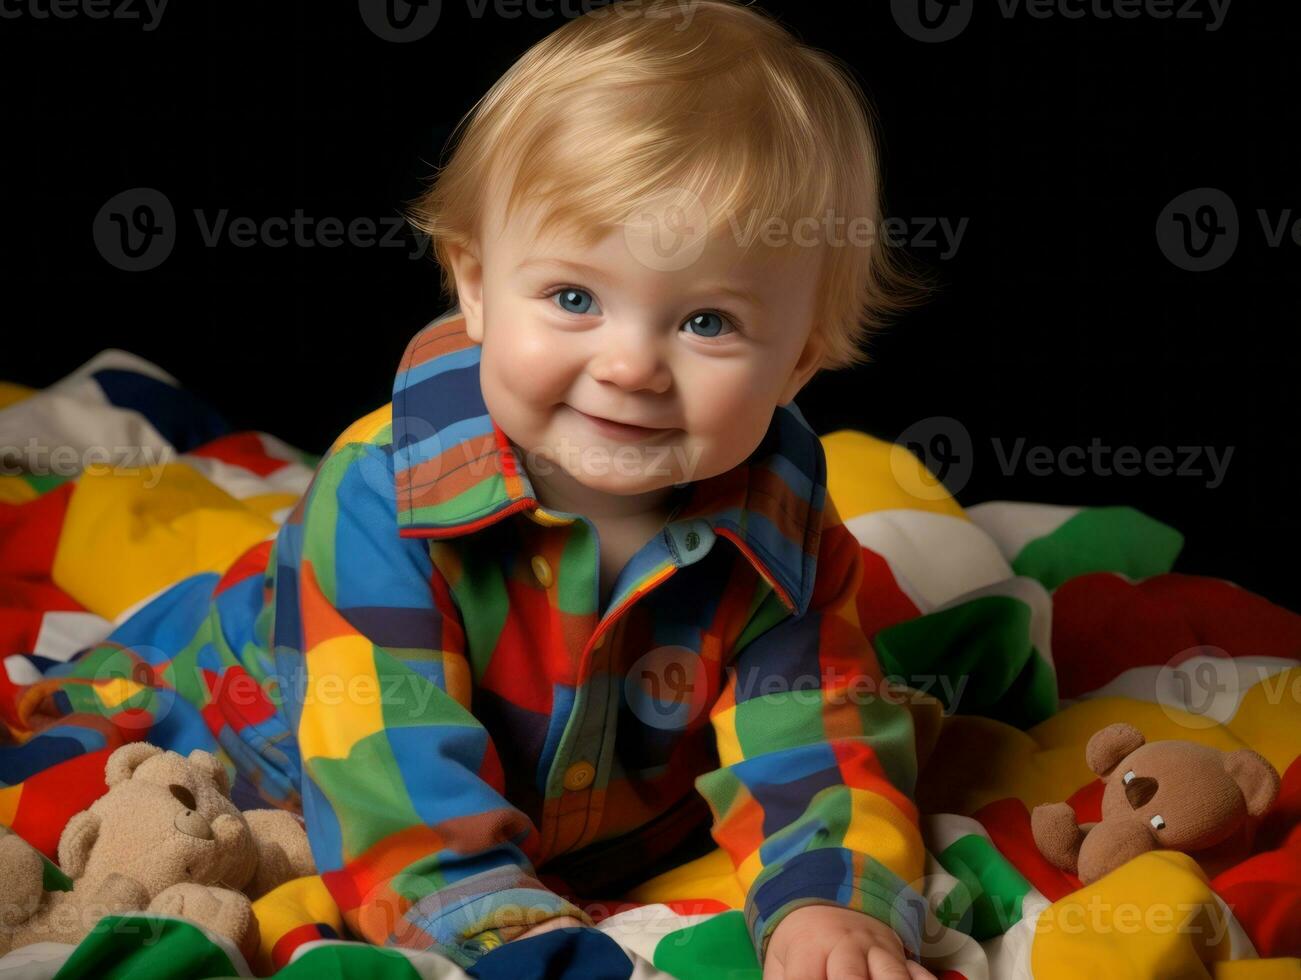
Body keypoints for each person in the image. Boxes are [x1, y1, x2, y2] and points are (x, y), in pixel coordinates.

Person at [256, 1, 936, 976]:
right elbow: (383, 768)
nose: (629, 365)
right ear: (476, 284)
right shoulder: (378, 494)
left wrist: (828, 909)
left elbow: (814, 744)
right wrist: (499, 921)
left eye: (706, 321)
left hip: (616, 830)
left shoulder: (784, 530)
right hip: (293, 755)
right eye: (574, 298)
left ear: (798, 364)